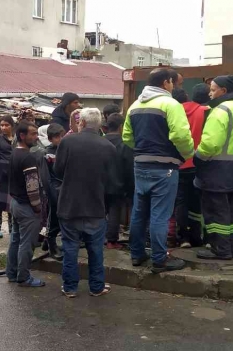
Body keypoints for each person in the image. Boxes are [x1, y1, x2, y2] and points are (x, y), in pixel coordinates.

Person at [123, 68, 194, 273]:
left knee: (139, 212)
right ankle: (160, 259)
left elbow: (127, 137)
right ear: (166, 83)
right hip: (165, 167)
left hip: (140, 165)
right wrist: (188, 153)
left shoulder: (135, 106)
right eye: (173, 83)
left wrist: (144, 149)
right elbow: (180, 136)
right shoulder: (171, 104)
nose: (174, 87)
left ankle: (137, 255)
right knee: (160, 215)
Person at [56, 108, 117, 297]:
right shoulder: (108, 147)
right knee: (96, 250)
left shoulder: (67, 141)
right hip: (96, 207)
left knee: (70, 248)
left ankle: (70, 287)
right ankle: (96, 287)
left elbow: (58, 171)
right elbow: (111, 182)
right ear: (100, 125)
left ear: (81, 122)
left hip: (69, 206)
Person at [195, 75, 233, 261]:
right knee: (230, 211)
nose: (210, 93)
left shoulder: (220, 111)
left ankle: (220, 250)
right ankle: (232, 247)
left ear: (223, 91)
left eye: (212, 89)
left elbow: (210, 144)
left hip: (216, 170)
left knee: (215, 211)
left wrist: (198, 157)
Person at [6, 121, 47, 287]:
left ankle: (12, 273)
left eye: (37, 133)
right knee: (26, 244)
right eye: (33, 134)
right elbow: (32, 186)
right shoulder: (28, 157)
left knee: (15, 240)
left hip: (15, 204)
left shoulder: (14, 153)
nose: (36, 137)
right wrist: (37, 207)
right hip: (26, 207)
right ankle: (23, 277)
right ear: (22, 136)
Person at [172, 86, 209, 248]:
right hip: (197, 162)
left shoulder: (173, 111)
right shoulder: (205, 111)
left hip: (178, 163)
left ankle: (183, 237)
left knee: (180, 201)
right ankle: (196, 236)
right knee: (196, 201)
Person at [103, 113, 133, 250]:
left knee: (100, 212)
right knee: (114, 212)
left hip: (99, 184)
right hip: (117, 185)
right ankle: (111, 241)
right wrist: (129, 188)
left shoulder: (100, 141)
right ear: (121, 126)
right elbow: (128, 169)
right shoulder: (124, 145)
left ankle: (97, 237)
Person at [44, 123, 66, 261]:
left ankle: (48, 242)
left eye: (61, 136)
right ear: (50, 138)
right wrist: (52, 192)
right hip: (54, 189)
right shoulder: (47, 153)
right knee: (54, 219)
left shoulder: (65, 150)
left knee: (62, 218)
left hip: (64, 188)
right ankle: (51, 244)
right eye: (57, 137)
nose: (60, 139)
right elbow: (47, 176)